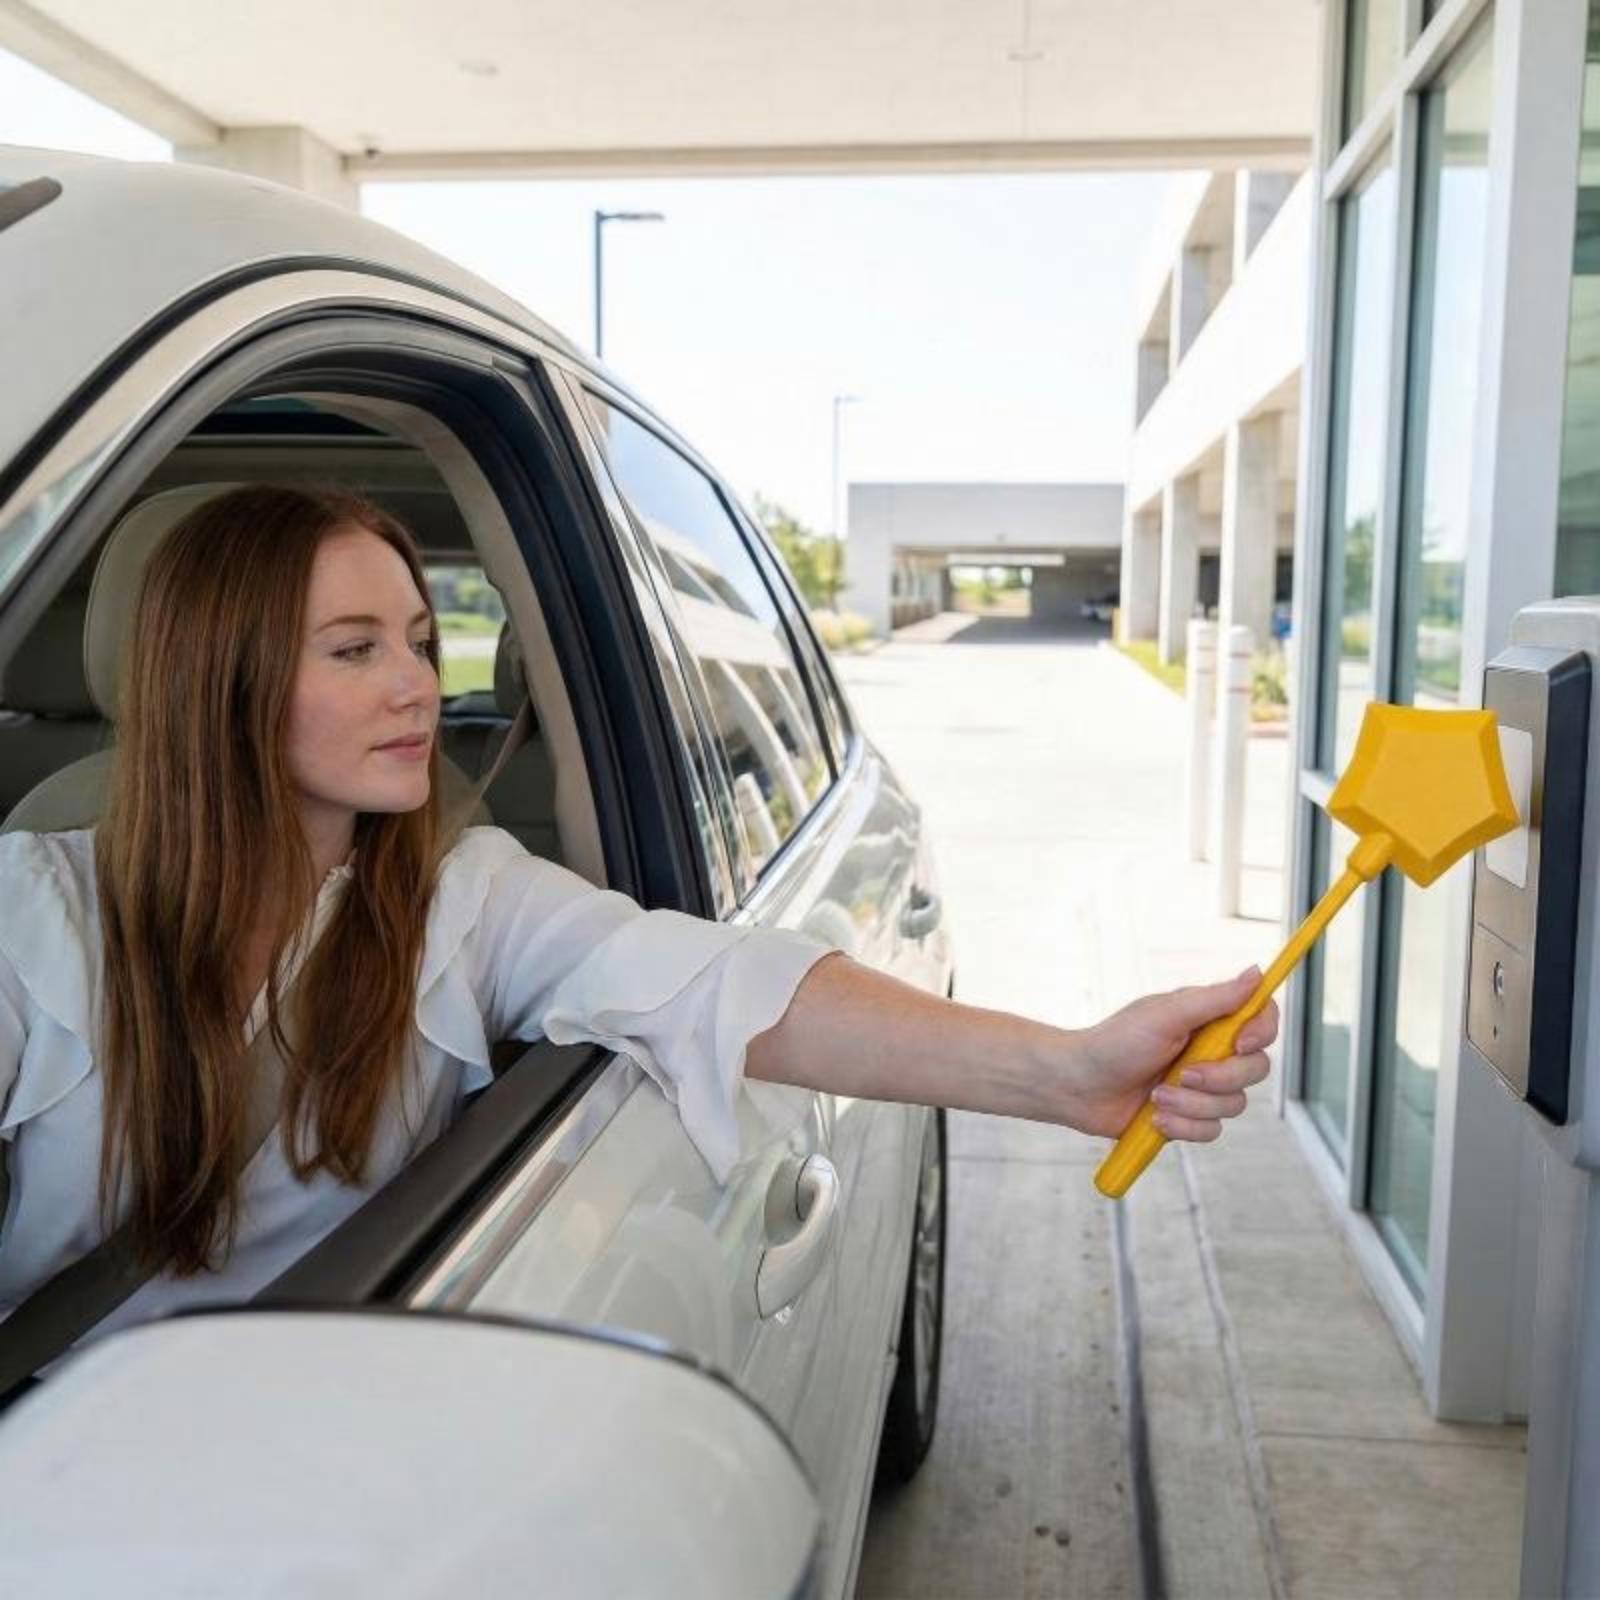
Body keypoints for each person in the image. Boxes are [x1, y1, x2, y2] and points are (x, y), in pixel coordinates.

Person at [0, 484, 1276, 1359]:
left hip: (324, 1462)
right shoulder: (31, 913)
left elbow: (718, 980)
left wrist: (1062, 1069)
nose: (418, 685)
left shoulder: (461, 898)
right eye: (353, 649)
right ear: (218, 678)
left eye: (422, 638)